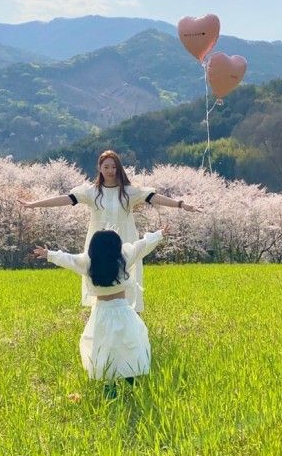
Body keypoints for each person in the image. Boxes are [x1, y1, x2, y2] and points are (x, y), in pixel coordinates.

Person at [21, 149, 198, 312]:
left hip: (125, 241)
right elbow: (65, 199)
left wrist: (181, 204)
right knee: (97, 275)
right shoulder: (91, 192)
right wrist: (34, 205)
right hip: (98, 244)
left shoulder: (129, 192)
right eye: (106, 167)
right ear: (99, 168)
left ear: (119, 168)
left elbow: (154, 197)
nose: (111, 171)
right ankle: (101, 316)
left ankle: (130, 317)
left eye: (114, 167)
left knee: (127, 276)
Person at [33, 227, 166, 396]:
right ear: (117, 246)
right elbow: (143, 245)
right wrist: (159, 234)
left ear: (93, 247)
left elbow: (68, 259)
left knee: (104, 348)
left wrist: (49, 254)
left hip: (101, 313)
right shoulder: (123, 259)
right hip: (123, 311)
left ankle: (109, 385)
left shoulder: (88, 263)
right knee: (130, 344)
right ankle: (129, 379)